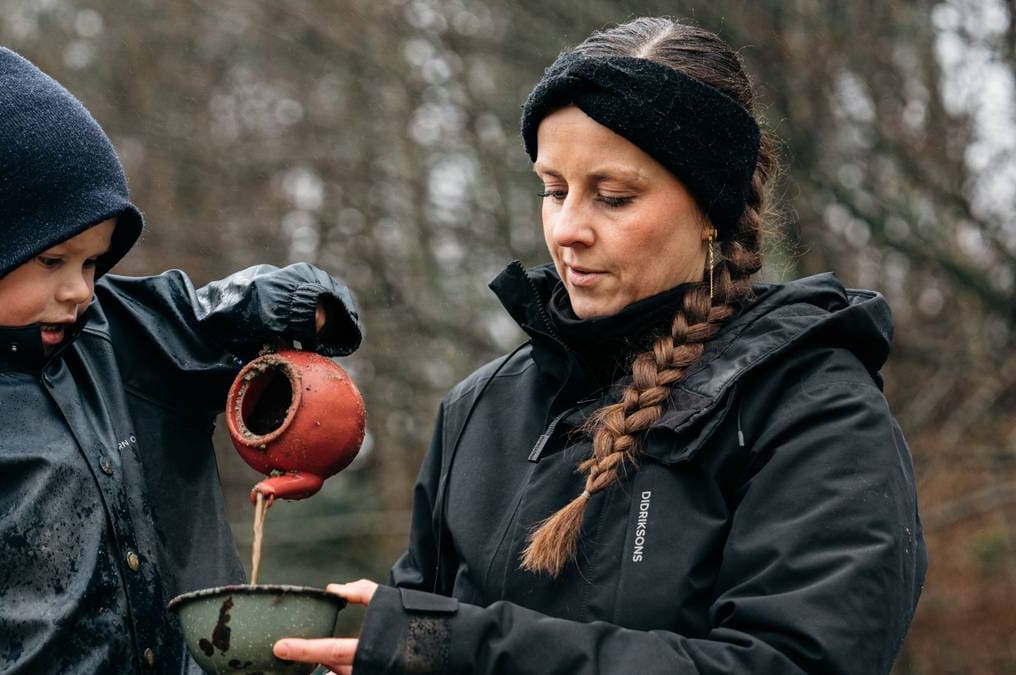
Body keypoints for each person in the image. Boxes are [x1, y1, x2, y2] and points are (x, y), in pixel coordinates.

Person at [276, 16, 927, 674]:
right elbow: (419, 642)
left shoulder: (814, 409)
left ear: (712, 209)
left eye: (612, 197)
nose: (567, 229)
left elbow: (792, 662)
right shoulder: (479, 410)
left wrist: (470, 653)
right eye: (553, 190)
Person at [0, 39, 362, 673]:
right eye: (53, 260)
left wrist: (307, 317)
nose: (80, 289)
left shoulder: (118, 329)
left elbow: (235, 312)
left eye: (93, 262)